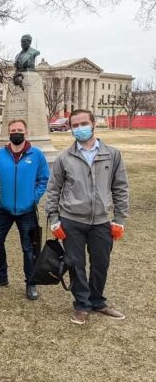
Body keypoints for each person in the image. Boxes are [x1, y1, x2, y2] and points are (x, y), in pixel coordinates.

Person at [45, 109, 129, 325]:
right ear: (71, 128)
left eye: (84, 123)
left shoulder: (112, 154)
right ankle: (81, 304)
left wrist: (119, 219)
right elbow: (53, 190)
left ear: (93, 124)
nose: (80, 128)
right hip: (72, 220)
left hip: (101, 220)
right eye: (75, 125)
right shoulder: (65, 157)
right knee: (75, 264)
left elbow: (120, 188)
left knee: (101, 262)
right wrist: (54, 219)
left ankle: (98, 300)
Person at [0, 119, 50, 300]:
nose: (16, 133)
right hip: (3, 209)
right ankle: (1, 276)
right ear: (8, 133)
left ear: (26, 133)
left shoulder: (36, 155)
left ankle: (31, 283)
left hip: (27, 210)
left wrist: (34, 197)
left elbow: (43, 179)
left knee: (29, 248)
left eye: (19, 130)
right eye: (13, 130)